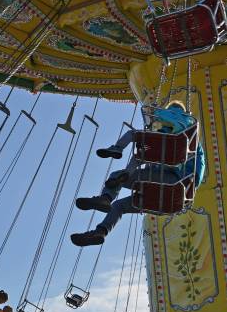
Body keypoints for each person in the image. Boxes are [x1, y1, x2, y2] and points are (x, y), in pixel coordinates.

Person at [71, 104, 206, 247]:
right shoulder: (193, 143)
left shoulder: (174, 135)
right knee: (119, 205)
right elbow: (197, 171)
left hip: (170, 182)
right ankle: (100, 232)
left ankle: (106, 197)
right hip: (174, 197)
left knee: (117, 176)